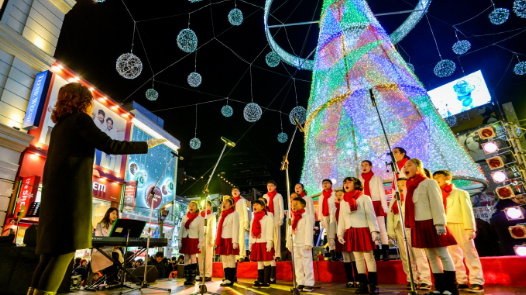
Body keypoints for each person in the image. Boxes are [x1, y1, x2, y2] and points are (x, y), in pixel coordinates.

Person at [30, 83, 164, 295]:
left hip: (54, 196)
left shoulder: (60, 125)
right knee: (64, 252)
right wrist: (146, 145)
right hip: (71, 196)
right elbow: (111, 145)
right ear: (83, 101)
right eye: (91, 100)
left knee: (49, 255)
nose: (92, 105)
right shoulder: (80, 120)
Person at [403, 159, 458, 295]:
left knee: (443, 254)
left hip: (432, 222)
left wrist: (440, 223)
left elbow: (437, 204)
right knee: (431, 257)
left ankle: (451, 288)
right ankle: (439, 287)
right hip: (419, 224)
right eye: (404, 166)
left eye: (409, 165)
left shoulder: (429, 182)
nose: (406, 167)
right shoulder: (409, 186)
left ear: (418, 168)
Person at [433, 170, 484, 293]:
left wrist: (470, 228)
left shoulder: (460, 193)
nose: (436, 179)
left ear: (448, 178)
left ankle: (476, 281)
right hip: (446, 226)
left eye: (439, 176)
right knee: (453, 255)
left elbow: (467, 211)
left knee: (469, 252)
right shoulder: (437, 195)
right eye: (434, 177)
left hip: (460, 224)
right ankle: (461, 280)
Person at [387, 178, 432, 290]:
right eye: (398, 184)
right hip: (399, 228)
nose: (401, 186)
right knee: (405, 255)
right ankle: (411, 279)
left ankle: (425, 280)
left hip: (413, 226)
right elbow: (390, 217)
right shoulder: (394, 200)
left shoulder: (413, 196)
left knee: (419, 254)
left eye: (403, 184)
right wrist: (391, 231)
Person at [337, 177, 381, 294]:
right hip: (351, 231)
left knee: (369, 258)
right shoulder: (343, 201)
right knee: (358, 259)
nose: (346, 184)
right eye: (344, 182)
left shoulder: (364, 197)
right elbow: (341, 218)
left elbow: (371, 215)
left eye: (349, 182)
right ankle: (363, 285)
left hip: (363, 229)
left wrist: (374, 231)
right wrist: (340, 234)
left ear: (356, 184)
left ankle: (373, 285)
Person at [360, 160, 390, 261]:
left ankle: (386, 252)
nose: (364, 167)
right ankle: (376, 252)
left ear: (371, 166)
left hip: (376, 203)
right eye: (362, 165)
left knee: (381, 228)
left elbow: (382, 192)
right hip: (366, 205)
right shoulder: (360, 179)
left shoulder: (376, 178)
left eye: (366, 165)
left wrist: (384, 206)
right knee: (372, 229)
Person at [286, 197, 315, 292]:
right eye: (292, 204)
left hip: (304, 242)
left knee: (307, 263)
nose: (293, 206)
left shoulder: (307, 217)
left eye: (296, 204)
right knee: (298, 264)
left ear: (302, 205)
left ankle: (309, 283)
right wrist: (289, 243)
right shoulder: (292, 217)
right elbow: (289, 231)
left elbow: (308, 231)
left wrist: (308, 243)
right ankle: (300, 282)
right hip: (295, 243)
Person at [332, 190, 358, 288]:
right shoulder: (333, 209)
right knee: (346, 257)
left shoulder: (348, 205)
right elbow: (332, 224)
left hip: (350, 232)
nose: (338, 196)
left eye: (341, 195)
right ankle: (350, 280)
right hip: (340, 234)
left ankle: (358, 279)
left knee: (354, 256)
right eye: (337, 195)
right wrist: (333, 236)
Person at [93, 207, 124, 284]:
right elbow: (99, 240)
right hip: (103, 249)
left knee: (117, 253)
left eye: (116, 214)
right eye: (113, 213)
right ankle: (112, 279)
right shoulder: (100, 225)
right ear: (108, 214)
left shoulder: (117, 226)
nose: (115, 215)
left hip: (115, 248)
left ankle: (113, 279)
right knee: (114, 255)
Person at [178, 201, 204, 286]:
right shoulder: (185, 217)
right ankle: (187, 278)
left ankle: (192, 278)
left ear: (196, 208)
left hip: (193, 239)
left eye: (193, 205)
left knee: (193, 257)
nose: (191, 207)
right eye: (189, 205)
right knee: (186, 257)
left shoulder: (200, 219)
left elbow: (201, 231)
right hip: (185, 238)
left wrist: (201, 242)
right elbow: (181, 229)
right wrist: (179, 240)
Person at [249, 200, 275, 288]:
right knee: (259, 262)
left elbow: (269, 231)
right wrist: (251, 243)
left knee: (266, 261)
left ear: (263, 207)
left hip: (264, 241)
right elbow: (251, 233)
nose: (254, 206)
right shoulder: (253, 219)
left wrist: (269, 242)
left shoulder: (267, 218)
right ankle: (260, 280)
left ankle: (266, 281)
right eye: (254, 205)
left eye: (257, 205)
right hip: (256, 242)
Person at [215, 198, 240, 287]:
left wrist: (235, 241)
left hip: (230, 239)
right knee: (224, 260)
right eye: (223, 202)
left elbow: (236, 228)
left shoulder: (234, 214)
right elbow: (219, 229)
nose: (223, 204)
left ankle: (230, 279)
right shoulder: (222, 215)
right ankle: (226, 278)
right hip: (222, 239)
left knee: (230, 259)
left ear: (231, 205)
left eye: (226, 203)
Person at [263, 180, 284, 284]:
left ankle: (277, 255)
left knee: (276, 237)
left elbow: (281, 207)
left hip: (275, 218)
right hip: (267, 218)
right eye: (268, 186)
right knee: (269, 237)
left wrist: (281, 218)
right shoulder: (264, 196)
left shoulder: (278, 196)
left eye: (271, 186)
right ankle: (269, 253)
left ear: (275, 187)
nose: (269, 187)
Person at [232, 187, 249, 279]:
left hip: (241, 220)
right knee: (234, 238)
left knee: (241, 238)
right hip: (232, 221)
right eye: (233, 191)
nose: (235, 192)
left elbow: (245, 211)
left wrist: (246, 221)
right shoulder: (230, 200)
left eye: (236, 191)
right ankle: (234, 254)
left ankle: (241, 255)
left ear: (239, 192)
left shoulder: (242, 201)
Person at [318, 179, 337, 261]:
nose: (325, 184)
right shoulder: (321, 196)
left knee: (335, 233)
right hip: (325, 216)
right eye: (323, 183)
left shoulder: (334, 194)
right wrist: (321, 219)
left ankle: (338, 251)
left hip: (334, 216)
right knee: (329, 235)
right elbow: (320, 208)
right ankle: (332, 252)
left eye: (327, 183)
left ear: (331, 185)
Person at [197, 201, 216, 282]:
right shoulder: (199, 216)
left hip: (208, 238)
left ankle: (208, 274)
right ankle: (201, 274)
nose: (204, 206)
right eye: (203, 205)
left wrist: (212, 239)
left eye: (207, 205)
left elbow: (213, 227)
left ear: (210, 207)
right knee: (200, 258)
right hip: (199, 238)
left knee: (207, 257)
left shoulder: (212, 216)